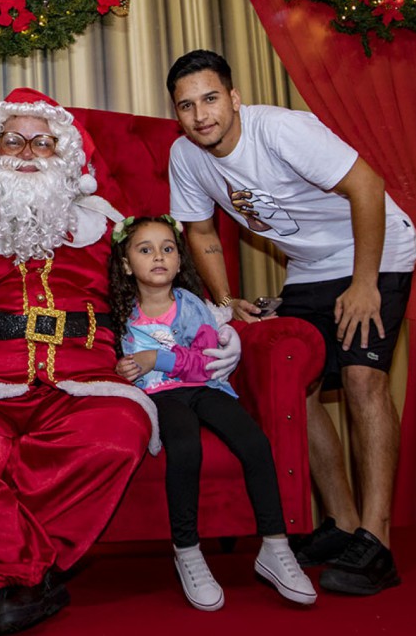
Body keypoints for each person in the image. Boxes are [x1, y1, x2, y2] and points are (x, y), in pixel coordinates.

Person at [0, 89, 189, 636]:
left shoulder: (104, 226)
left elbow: (156, 287)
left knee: (123, 427)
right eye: (12, 141)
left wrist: (214, 323)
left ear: (65, 156)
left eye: (42, 143)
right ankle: (20, 580)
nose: (27, 152)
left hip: (82, 382)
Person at [166, 50, 416, 596]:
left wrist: (365, 283)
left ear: (234, 98)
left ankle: (377, 541)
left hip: (377, 251)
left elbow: (368, 186)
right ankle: (342, 522)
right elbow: (200, 231)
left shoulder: (281, 130)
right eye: (186, 106)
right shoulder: (185, 156)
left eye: (210, 99)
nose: (200, 115)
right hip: (309, 268)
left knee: (362, 380)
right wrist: (226, 300)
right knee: (294, 385)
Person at [109, 214, 316, 610]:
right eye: (145, 249)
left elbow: (205, 362)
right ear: (126, 264)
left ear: (179, 261)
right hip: (161, 398)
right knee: (185, 446)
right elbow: (123, 367)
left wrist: (157, 358)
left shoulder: (191, 305)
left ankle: (275, 546)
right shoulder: (122, 315)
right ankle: (187, 551)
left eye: (168, 249)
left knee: (254, 442)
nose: (158, 257)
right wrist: (125, 368)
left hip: (205, 388)